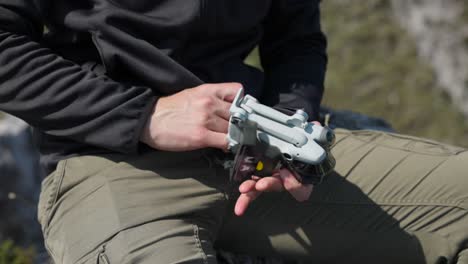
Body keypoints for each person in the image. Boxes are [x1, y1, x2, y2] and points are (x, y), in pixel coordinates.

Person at [0, 0, 467, 263]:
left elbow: (296, 37)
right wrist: (145, 115)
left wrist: (289, 130)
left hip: (257, 153)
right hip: (111, 165)